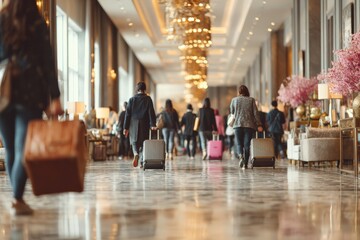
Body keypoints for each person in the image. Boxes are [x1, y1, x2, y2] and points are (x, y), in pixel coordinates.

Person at [0, 0, 64, 215]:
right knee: (22, 149)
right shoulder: (36, 22)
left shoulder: (2, 18)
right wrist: (54, 96)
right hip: (30, 92)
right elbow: (48, 61)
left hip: (3, 91)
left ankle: (16, 197)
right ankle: (17, 198)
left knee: (10, 149)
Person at [123, 82, 157, 168]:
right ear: (144, 89)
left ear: (137, 89)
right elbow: (151, 112)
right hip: (144, 123)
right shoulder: (148, 99)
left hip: (133, 124)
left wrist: (125, 128)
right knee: (143, 143)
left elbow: (127, 114)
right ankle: (142, 162)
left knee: (134, 141)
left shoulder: (131, 99)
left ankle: (135, 153)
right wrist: (153, 124)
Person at [230, 85, 262, 169]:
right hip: (249, 125)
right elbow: (256, 113)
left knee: (239, 143)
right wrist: (259, 124)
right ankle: (245, 164)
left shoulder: (234, 100)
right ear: (247, 91)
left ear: (239, 92)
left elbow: (232, 112)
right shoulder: (251, 100)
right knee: (247, 145)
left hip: (237, 125)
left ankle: (241, 156)